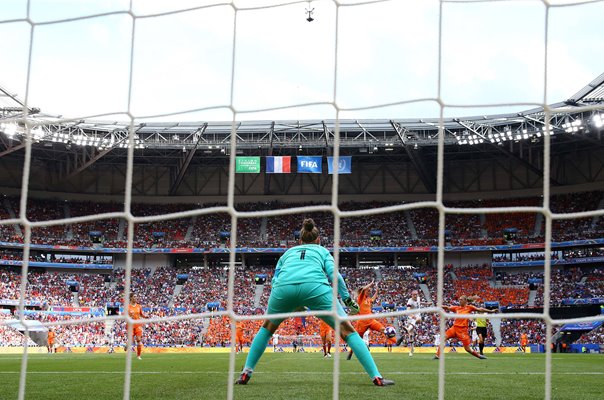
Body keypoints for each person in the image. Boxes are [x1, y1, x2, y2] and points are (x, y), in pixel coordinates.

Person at [236, 218, 394, 387]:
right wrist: (347, 300)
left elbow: (275, 280)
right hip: (315, 287)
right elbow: (336, 276)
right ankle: (376, 377)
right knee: (349, 332)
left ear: (300, 241)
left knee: (266, 329)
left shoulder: (287, 253)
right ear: (318, 240)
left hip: (283, 288)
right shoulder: (322, 251)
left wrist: (287, 301)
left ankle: (246, 373)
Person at [434, 295, 496, 360]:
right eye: (459, 299)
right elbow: (447, 307)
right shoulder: (457, 308)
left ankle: (479, 356)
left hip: (462, 330)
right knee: (443, 338)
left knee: (467, 349)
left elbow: (480, 309)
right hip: (454, 328)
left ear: (465, 301)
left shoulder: (469, 307)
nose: (459, 301)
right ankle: (437, 356)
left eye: (461, 299)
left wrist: (491, 311)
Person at [346, 280, 388, 361]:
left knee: (384, 330)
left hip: (371, 320)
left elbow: (373, 299)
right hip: (362, 322)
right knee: (357, 339)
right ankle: (350, 353)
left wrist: (377, 291)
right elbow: (363, 290)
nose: (369, 291)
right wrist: (371, 283)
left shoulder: (368, 299)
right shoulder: (360, 298)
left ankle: (393, 341)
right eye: (367, 290)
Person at [396, 289, 421, 357]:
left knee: (418, 319)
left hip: (417, 316)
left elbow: (419, 303)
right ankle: (411, 350)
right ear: (411, 295)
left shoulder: (418, 298)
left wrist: (427, 304)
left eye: (416, 294)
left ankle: (408, 328)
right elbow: (408, 311)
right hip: (411, 317)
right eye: (414, 295)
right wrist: (412, 316)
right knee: (411, 336)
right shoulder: (410, 301)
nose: (415, 296)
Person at [127, 292, 147, 360]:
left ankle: (138, 356)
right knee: (131, 341)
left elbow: (141, 314)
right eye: (134, 297)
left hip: (138, 324)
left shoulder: (139, 306)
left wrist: (145, 317)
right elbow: (125, 316)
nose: (136, 298)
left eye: (136, 297)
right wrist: (130, 316)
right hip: (130, 325)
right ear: (131, 298)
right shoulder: (127, 307)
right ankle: (127, 345)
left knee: (138, 339)